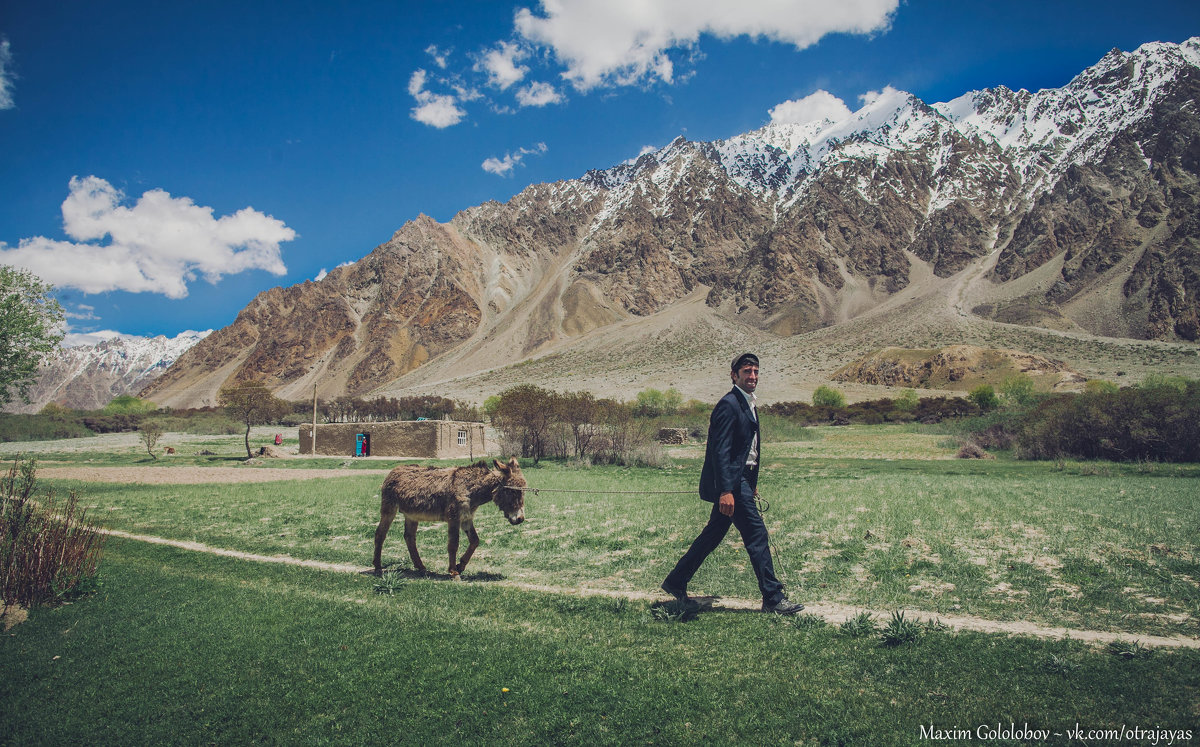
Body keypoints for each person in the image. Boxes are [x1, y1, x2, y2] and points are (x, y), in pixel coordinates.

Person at [661, 353, 805, 614]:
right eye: (747, 372)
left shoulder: (748, 403)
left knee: (712, 536)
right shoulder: (728, 404)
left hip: (742, 481)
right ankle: (773, 598)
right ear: (734, 375)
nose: (752, 377)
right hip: (733, 484)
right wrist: (727, 490)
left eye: (755, 372)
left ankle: (675, 581)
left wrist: (753, 482)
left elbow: (748, 450)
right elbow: (721, 451)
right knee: (757, 535)